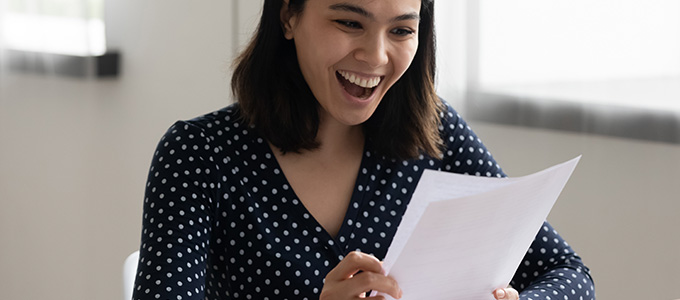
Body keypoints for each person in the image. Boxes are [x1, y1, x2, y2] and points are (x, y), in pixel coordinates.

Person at [132, 0, 595, 299]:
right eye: (349, 22)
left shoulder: (433, 135)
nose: (375, 57)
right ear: (289, 15)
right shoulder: (199, 155)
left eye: (401, 31)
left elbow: (569, 274)